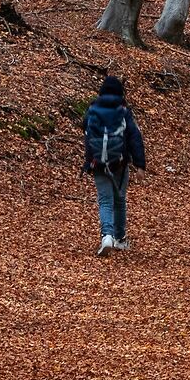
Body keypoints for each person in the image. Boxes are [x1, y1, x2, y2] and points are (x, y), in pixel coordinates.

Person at [81, 74, 147, 255]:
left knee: (105, 201)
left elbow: (86, 130)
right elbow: (134, 136)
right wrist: (140, 164)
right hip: (120, 162)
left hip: (98, 163)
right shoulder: (123, 111)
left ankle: (106, 236)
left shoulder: (93, 109)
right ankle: (120, 238)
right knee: (119, 200)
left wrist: (89, 161)